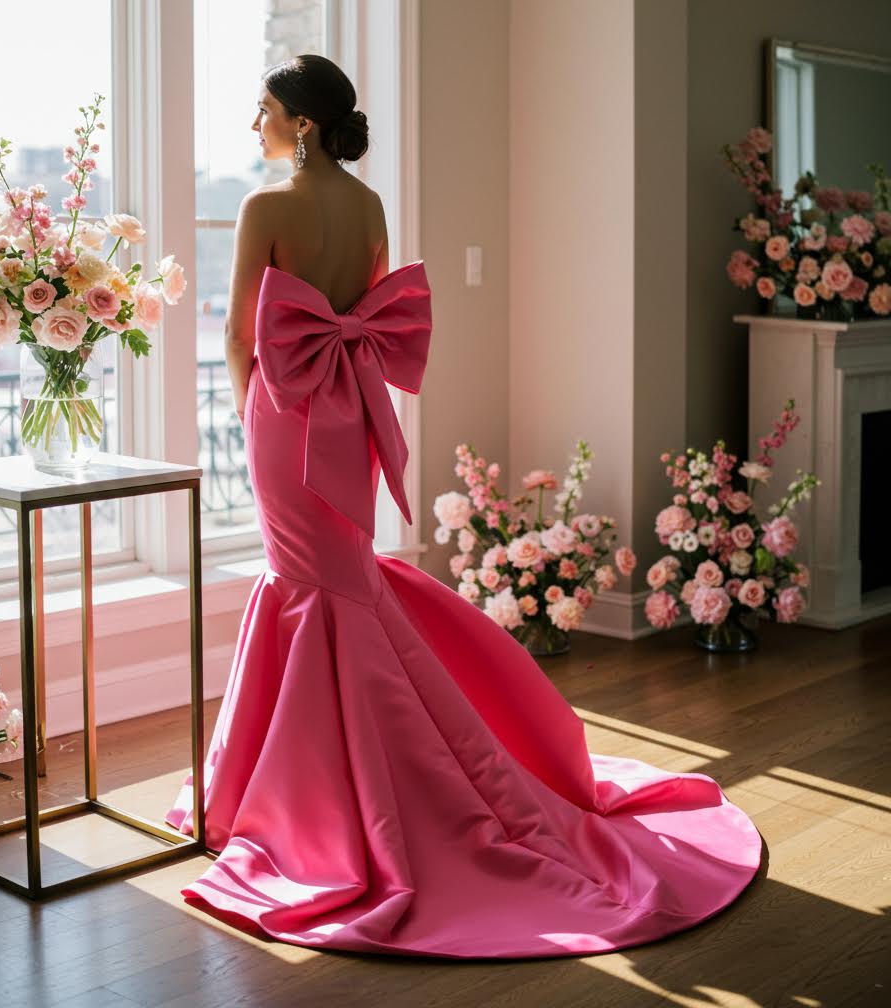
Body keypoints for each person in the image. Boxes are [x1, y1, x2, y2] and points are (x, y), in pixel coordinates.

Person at [165, 54, 762, 959]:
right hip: (352, 409)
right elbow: (364, 309)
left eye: (265, 112)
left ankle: (321, 799)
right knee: (340, 580)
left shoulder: (264, 206)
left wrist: (259, 402)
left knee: (310, 585)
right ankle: (337, 774)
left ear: (306, 125)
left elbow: (243, 332)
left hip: (288, 417)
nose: (257, 127)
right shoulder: (367, 207)